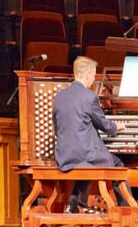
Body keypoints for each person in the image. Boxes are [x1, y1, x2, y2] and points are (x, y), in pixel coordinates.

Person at [53, 56, 130, 213]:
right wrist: (117, 127)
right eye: (94, 76)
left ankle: (75, 203)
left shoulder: (59, 97)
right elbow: (103, 125)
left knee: (87, 161)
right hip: (84, 153)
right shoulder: (89, 97)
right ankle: (126, 210)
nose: (93, 80)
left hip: (64, 154)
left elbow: (57, 127)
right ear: (88, 75)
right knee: (117, 165)